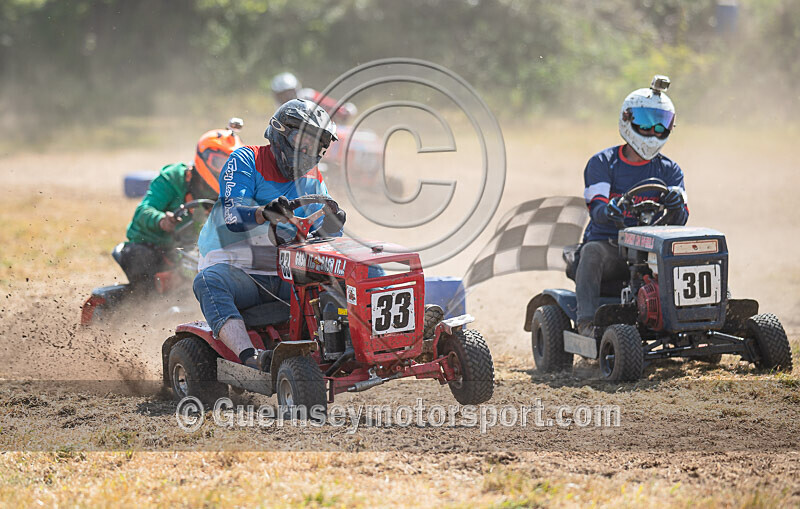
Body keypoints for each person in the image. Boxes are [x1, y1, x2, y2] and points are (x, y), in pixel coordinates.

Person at [193, 99, 345, 369]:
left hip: (285, 274)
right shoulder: (245, 160)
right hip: (235, 270)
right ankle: (250, 357)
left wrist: (331, 227)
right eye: (302, 141)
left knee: (341, 277)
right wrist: (264, 212)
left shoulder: (312, 178)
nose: (307, 151)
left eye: (315, 146)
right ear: (280, 132)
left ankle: (352, 345)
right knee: (207, 282)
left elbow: (320, 234)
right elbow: (232, 217)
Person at [576, 75, 689, 337]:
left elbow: (681, 220)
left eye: (660, 125)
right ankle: (587, 324)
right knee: (591, 252)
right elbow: (597, 211)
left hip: (652, 251)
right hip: (612, 247)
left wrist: (675, 207)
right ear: (627, 119)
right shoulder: (602, 163)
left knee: (690, 251)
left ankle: (696, 320)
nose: (653, 132)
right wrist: (609, 210)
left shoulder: (670, 170)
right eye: (646, 123)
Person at [119, 125, 242, 293]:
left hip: (190, 250)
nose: (224, 171)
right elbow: (143, 210)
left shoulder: (233, 191)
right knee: (141, 258)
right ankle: (148, 303)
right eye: (219, 163)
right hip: (153, 247)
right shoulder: (172, 178)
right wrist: (161, 220)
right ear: (203, 158)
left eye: (230, 165)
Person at [270, 72, 357, 122]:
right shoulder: (278, 114)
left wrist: (342, 110)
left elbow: (331, 105)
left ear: (296, 90)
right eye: (282, 95)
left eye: (289, 93)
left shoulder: (308, 96)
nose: (287, 98)